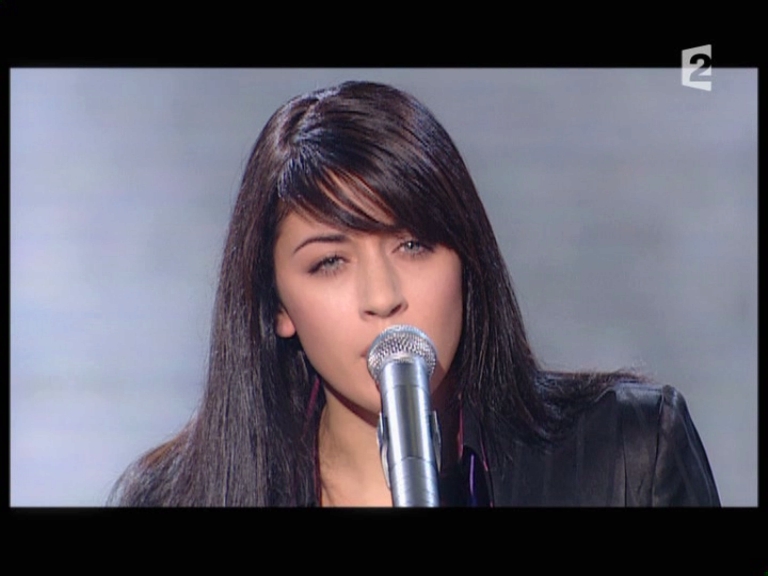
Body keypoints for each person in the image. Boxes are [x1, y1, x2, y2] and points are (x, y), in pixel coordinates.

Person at [110, 80, 720, 507]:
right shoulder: (176, 498)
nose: (383, 297)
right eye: (330, 263)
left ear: (467, 258)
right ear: (276, 307)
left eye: (413, 245)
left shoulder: (629, 455)